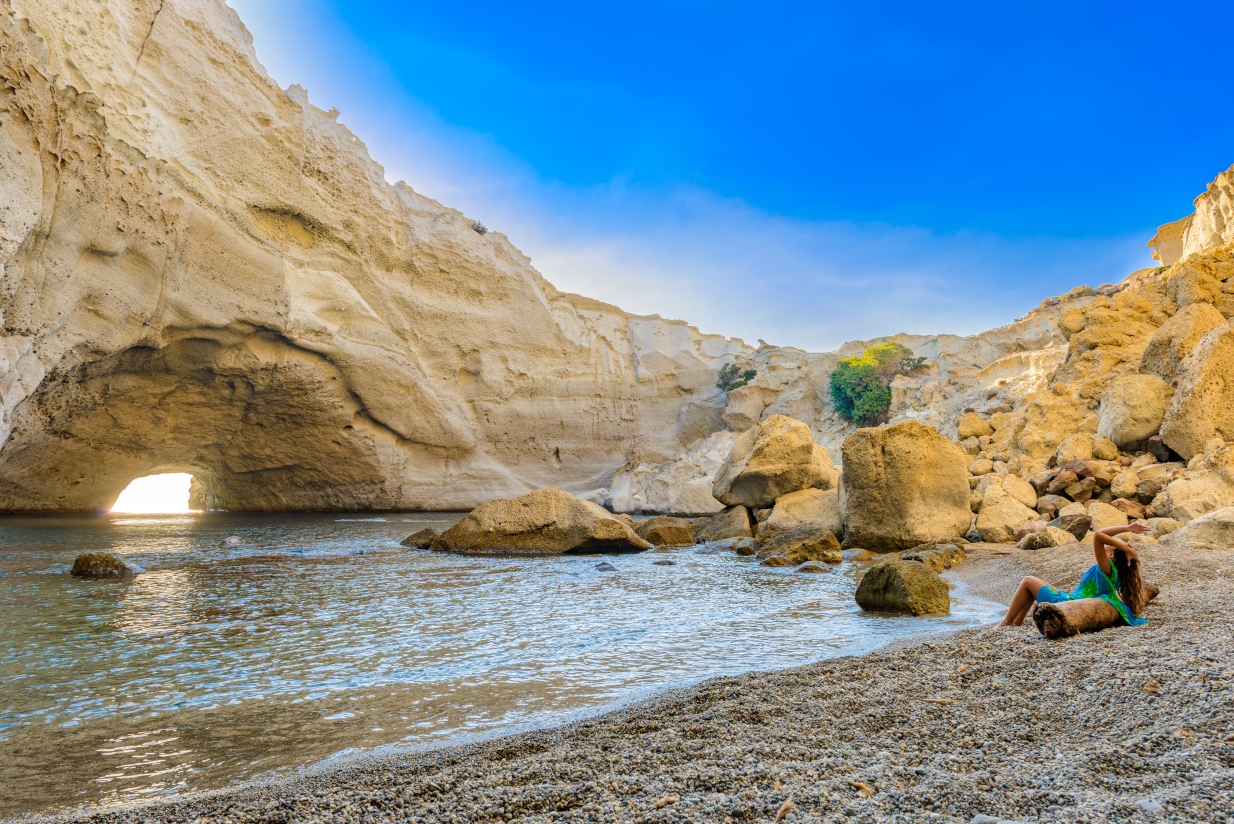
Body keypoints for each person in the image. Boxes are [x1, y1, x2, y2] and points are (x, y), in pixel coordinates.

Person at [994, 523, 1151, 628]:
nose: (1113, 541)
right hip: (1071, 598)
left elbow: (1098, 536)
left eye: (1115, 543)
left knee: (1028, 580)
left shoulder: (1107, 567)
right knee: (1036, 584)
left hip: (1068, 604)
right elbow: (1102, 534)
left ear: (1111, 554)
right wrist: (1128, 528)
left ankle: (1006, 622)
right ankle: (1017, 621)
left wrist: (1125, 546)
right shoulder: (1112, 570)